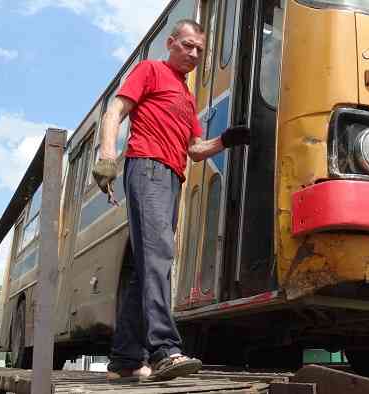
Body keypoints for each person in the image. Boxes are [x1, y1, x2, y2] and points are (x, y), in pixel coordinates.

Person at [92, 19, 250, 382]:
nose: (194, 54)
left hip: (172, 177)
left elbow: (195, 149)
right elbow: (115, 110)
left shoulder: (185, 96)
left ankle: (125, 359)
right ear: (171, 42)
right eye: (188, 45)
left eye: (200, 50)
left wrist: (226, 139)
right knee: (160, 255)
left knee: (148, 263)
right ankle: (165, 348)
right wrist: (106, 155)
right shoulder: (150, 70)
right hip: (147, 167)